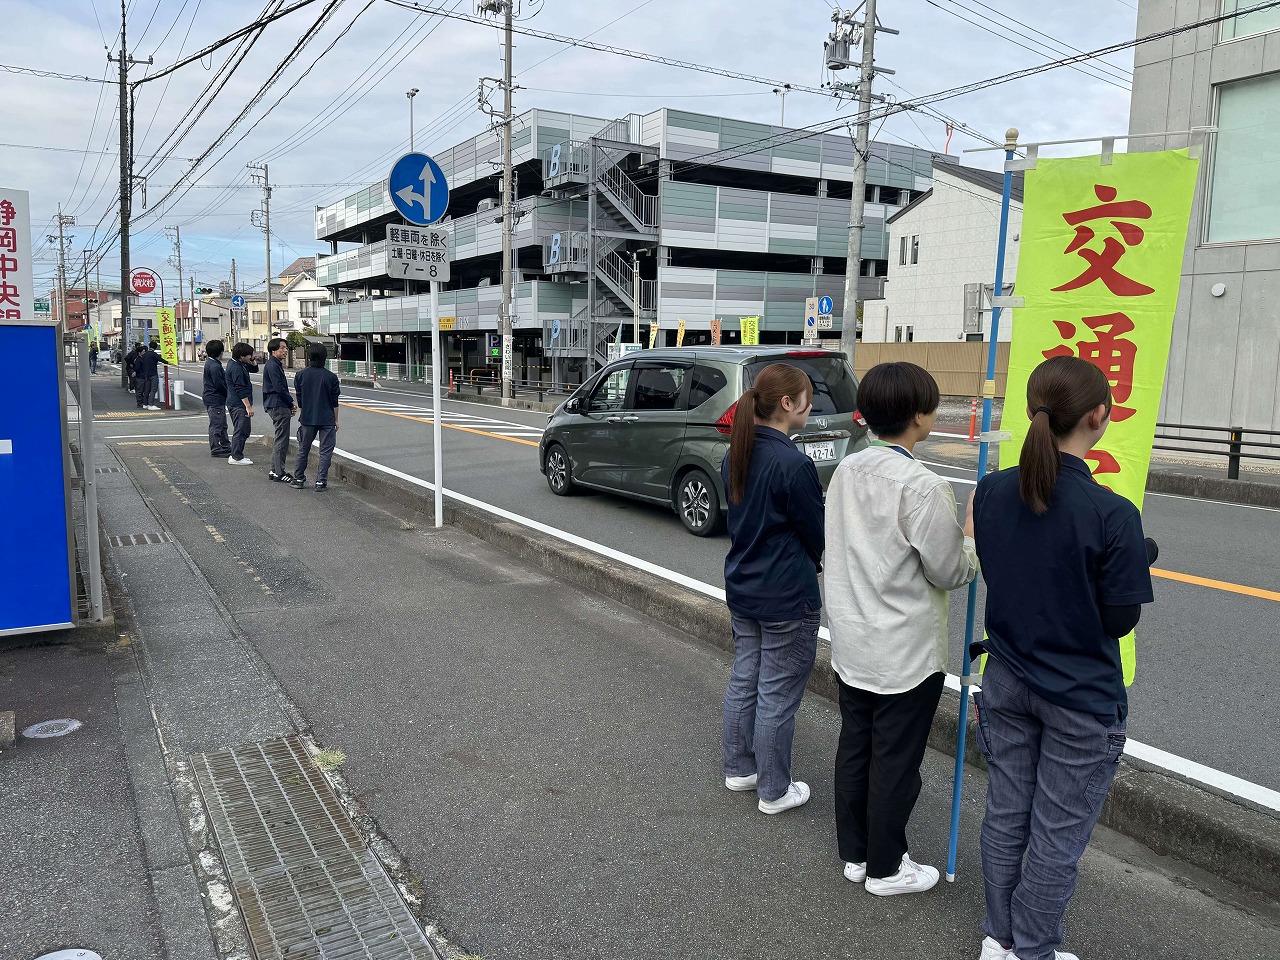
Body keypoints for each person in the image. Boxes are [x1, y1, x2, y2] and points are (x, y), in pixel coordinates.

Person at [972, 355, 1157, 960]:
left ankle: (1000, 939)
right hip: (1078, 697)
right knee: (1055, 836)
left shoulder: (992, 491)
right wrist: (1133, 558)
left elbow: (1010, 565)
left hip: (1006, 677)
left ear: (1034, 412)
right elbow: (1118, 620)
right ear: (1099, 416)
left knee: (1007, 814)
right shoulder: (1112, 513)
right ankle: (1032, 949)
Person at [825, 362, 979, 897]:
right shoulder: (924, 486)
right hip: (904, 649)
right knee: (895, 759)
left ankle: (857, 853)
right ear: (919, 416)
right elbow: (950, 570)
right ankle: (887, 868)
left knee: (857, 745)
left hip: (852, 636)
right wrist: (970, 537)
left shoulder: (846, 469)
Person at [720, 363, 825, 815]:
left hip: (744, 586)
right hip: (785, 595)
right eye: (807, 399)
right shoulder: (793, 464)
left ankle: (740, 768)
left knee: (746, 679)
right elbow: (815, 532)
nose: (810, 406)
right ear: (787, 404)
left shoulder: (735, 454)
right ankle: (774, 790)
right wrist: (816, 562)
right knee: (777, 695)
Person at [291, 344, 341, 491]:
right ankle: (320, 482)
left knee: (303, 449)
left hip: (307, 418)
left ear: (309, 357)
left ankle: (298, 478)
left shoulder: (300, 375)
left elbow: (299, 399)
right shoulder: (331, 377)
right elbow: (335, 402)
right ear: (325, 357)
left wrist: (304, 412)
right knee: (325, 452)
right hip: (327, 419)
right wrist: (336, 420)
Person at [262, 337, 298, 483]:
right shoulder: (273, 365)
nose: (285, 350)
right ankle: (279, 472)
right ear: (273, 350)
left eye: (286, 348)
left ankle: (274, 470)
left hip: (276, 404)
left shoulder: (274, 364)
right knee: (282, 440)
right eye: (282, 348)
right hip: (278, 404)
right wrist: (291, 402)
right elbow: (279, 387)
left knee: (280, 438)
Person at [225, 342, 258, 465]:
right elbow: (239, 388)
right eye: (249, 355)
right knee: (241, 430)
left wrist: (252, 359)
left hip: (236, 403)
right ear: (242, 356)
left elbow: (254, 369)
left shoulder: (238, 363)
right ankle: (236, 457)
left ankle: (236, 455)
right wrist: (248, 406)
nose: (251, 357)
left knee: (243, 429)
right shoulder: (236, 368)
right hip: (238, 404)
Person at [202, 340, 232, 459]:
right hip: (215, 398)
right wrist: (228, 393)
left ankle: (225, 445)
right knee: (216, 425)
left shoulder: (210, 362)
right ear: (220, 352)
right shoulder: (214, 366)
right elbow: (219, 384)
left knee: (222, 424)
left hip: (212, 397)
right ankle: (216, 448)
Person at [135, 340, 169, 410]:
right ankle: (151, 404)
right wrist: (169, 362)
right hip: (153, 374)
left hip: (146, 375)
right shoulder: (154, 354)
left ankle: (145, 404)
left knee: (147, 390)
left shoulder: (144, 355)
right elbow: (161, 360)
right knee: (153, 389)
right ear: (155, 347)